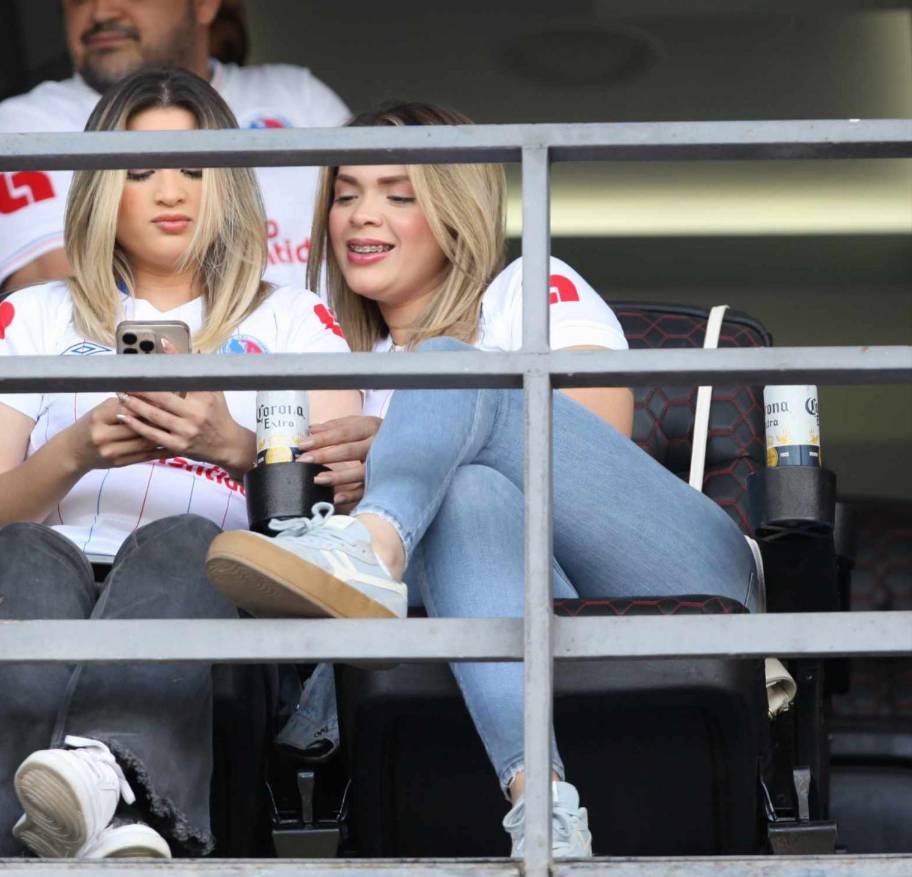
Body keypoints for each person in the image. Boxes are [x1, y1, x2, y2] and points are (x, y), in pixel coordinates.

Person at [204, 102, 758, 857]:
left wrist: (407, 448)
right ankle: (542, 802)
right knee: (467, 497)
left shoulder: (524, 287)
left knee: (451, 371)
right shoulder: (339, 370)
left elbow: (598, 428)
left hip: (665, 572)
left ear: (456, 212)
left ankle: (373, 548)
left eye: (399, 194)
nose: (362, 214)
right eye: (345, 193)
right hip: (515, 603)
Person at [0, 66, 359, 860]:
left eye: (195, 169)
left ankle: (50, 828)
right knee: (20, 552)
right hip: (52, 571)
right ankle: (124, 826)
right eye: (141, 171)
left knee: (187, 540)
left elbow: (341, 514)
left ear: (229, 186)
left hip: (211, 584)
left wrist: (228, 445)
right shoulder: (31, 315)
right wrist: (74, 452)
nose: (171, 192)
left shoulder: (294, 318)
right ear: (101, 189)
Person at [0, 0, 348, 294]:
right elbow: (64, 295)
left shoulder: (299, 96)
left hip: (330, 363)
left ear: (204, 5)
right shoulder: (27, 125)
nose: (101, 12)